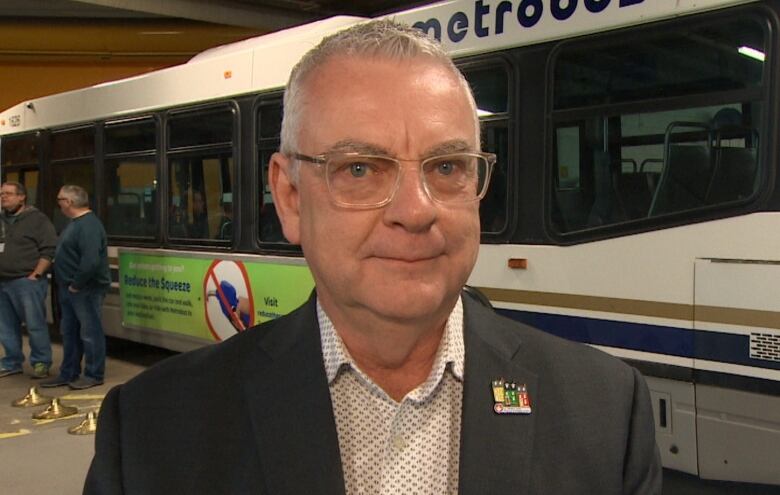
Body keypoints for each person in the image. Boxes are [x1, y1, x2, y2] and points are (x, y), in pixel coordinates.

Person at [84, 20, 661, 494]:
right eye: (359, 169)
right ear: (289, 197)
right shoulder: (152, 433)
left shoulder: (607, 412)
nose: (416, 210)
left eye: (447, 167)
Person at [40, 185, 110, 390]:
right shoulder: (75, 223)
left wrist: (76, 284)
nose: (58, 203)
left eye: (60, 199)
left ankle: (94, 374)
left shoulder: (89, 226)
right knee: (69, 332)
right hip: (70, 288)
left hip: (85, 289)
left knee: (90, 333)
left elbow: (90, 261)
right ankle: (69, 372)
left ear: (69, 202)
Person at [0, 182, 57, 379]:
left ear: (22, 197)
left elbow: (49, 249)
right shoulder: (1, 220)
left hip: (27, 281)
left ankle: (41, 362)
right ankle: (12, 362)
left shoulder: (37, 220)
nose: (3, 197)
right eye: (1, 194)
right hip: (2, 282)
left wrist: (36, 274)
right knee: (5, 326)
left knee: (34, 325)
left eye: (8, 194)